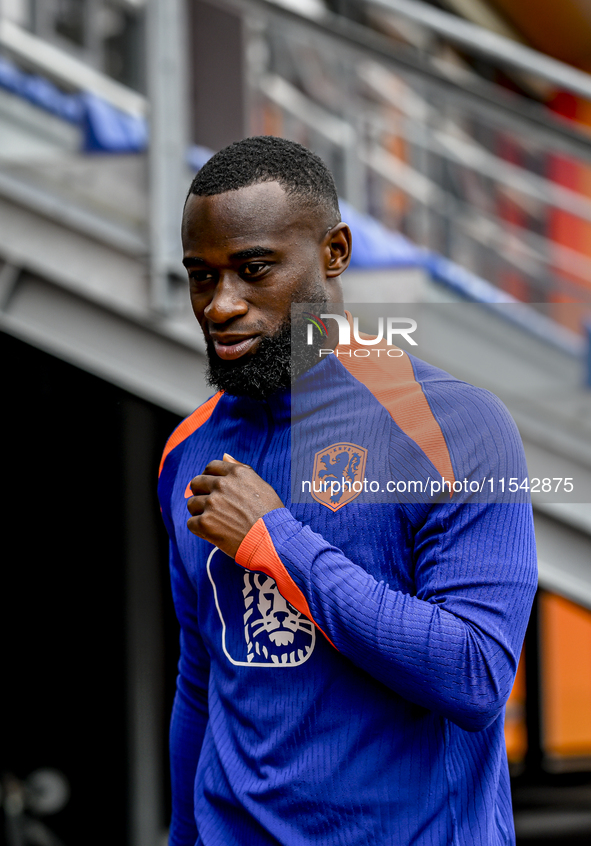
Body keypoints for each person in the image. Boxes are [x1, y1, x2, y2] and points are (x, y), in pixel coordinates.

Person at [158, 136, 537, 846]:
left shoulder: (454, 427)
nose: (220, 305)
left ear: (333, 253)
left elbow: (474, 675)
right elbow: (202, 680)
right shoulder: (187, 449)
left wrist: (278, 542)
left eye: (253, 269)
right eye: (201, 276)